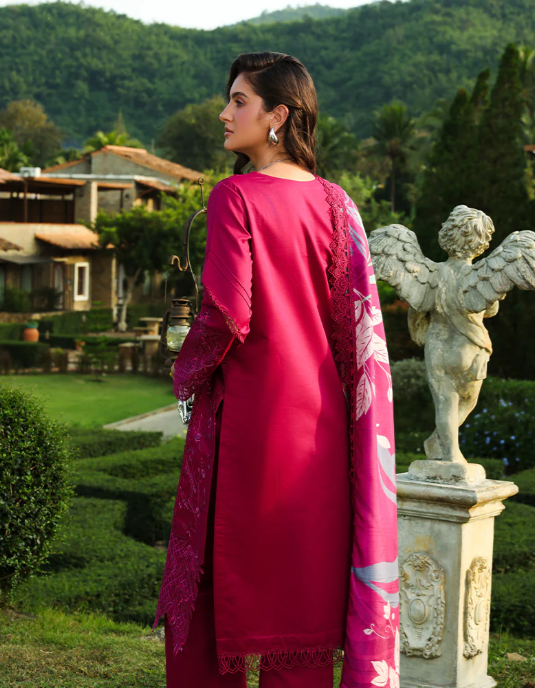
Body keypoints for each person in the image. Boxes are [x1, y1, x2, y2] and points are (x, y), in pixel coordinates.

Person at [153, 51, 399, 688]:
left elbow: (227, 314)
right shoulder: (338, 204)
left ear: (278, 116)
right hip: (320, 435)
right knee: (300, 608)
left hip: (249, 430)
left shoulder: (234, 196)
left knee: (214, 587)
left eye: (239, 101)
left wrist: (186, 372)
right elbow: (356, 329)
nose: (224, 113)